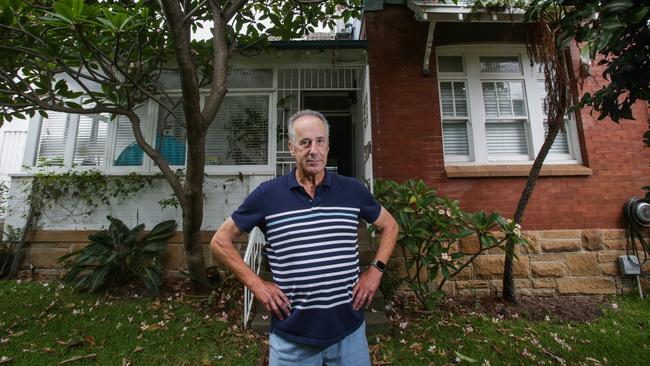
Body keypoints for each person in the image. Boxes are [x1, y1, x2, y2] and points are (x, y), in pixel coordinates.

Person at [210, 109, 398, 365]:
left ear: (328, 146)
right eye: (305, 142)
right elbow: (219, 242)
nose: (314, 150)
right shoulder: (268, 195)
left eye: (320, 141)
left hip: (349, 335)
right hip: (293, 340)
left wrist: (375, 271)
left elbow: (390, 226)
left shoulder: (352, 190)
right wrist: (257, 285)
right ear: (291, 148)